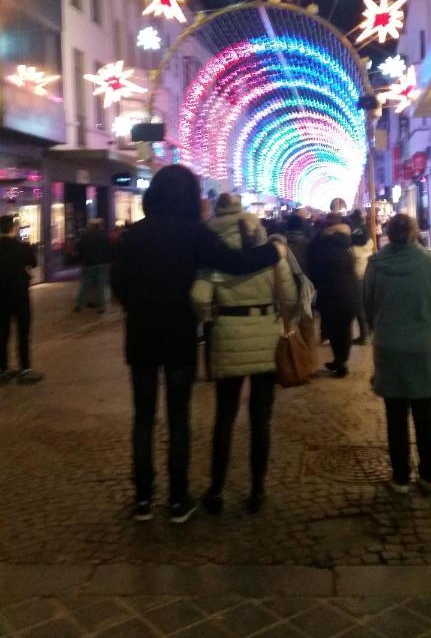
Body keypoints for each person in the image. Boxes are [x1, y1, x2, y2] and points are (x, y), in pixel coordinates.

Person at [110, 165, 284, 524]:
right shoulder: (194, 233)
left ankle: (143, 500)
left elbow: (119, 288)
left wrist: (138, 306)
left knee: (142, 420)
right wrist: (273, 252)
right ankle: (177, 500)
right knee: (178, 420)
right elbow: (235, 264)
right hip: (178, 338)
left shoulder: (132, 236)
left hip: (141, 337)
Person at [191, 193, 297, 514]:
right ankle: (257, 489)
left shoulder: (214, 255)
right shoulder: (269, 251)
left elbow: (198, 297)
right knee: (260, 419)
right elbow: (289, 296)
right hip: (265, 331)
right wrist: (283, 321)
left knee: (224, 417)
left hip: (227, 334)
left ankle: (217, 490)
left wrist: (207, 318)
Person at [364, 214, 431, 494]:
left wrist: (383, 328)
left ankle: (400, 476)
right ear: (413, 234)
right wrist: (423, 327)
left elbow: (368, 306)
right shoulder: (429, 262)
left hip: (389, 347)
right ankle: (428, 475)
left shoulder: (376, 265)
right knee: (424, 414)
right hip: (421, 347)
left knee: (395, 415)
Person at [308, 214, 357, 377]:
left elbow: (315, 269)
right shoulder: (348, 242)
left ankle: (340, 361)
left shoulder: (321, 245)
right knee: (344, 328)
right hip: (348, 290)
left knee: (334, 329)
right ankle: (341, 360)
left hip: (330, 291)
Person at [0, 215, 42, 384]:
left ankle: (3, 369)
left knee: (2, 333)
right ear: (13, 229)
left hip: (0, 297)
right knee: (23, 333)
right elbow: (33, 263)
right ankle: (25, 369)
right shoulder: (21, 247)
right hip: (19, 297)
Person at [74, 219, 111, 313]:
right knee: (100, 286)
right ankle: (101, 307)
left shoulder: (85, 237)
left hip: (88, 264)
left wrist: (81, 259)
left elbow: (80, 249)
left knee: (84, 285)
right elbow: (108, 250)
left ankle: (78, 305)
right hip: (101, 264)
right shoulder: (103, 237)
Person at [349, 209, 374, 345]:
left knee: (360, 306)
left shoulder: (352, 242)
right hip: (369, 272)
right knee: (368, 304)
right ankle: (370, 332)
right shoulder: (367, 237)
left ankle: (365, 335)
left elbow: (351, 257)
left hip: (358, 274)